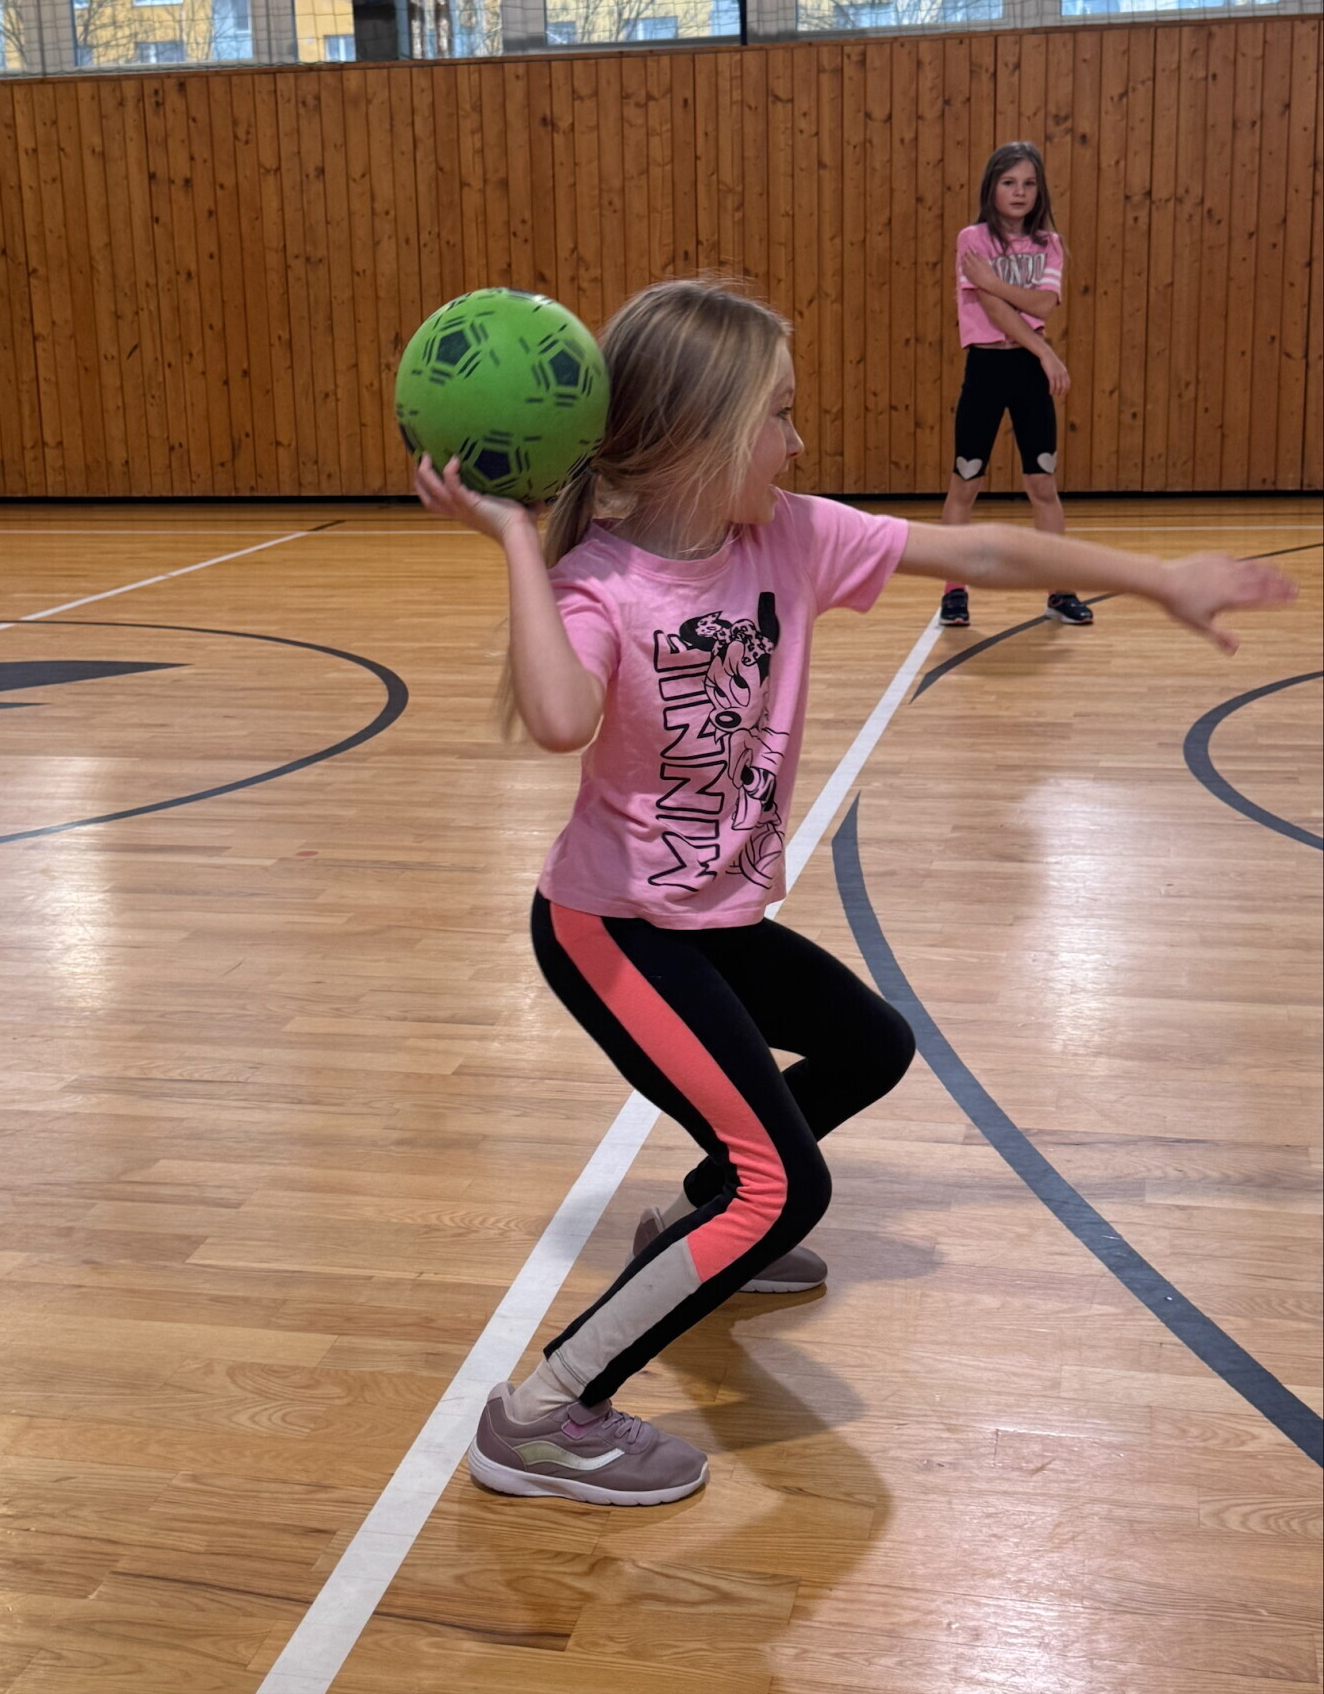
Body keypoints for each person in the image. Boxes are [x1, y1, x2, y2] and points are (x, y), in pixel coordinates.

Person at [414, 278, 1292, 1508]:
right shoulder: (601, 586)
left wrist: (1154, 577)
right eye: (777, 415)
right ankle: (546, 1413)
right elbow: (560, 719)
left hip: (713, 921)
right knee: (784, 1185)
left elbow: (979, 549)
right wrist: (516, 540)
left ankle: (696, 1227)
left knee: (869, 1046)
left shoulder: (788, 536)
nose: (797, 440)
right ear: (701, 438)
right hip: (612, 932)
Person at [940, 141, 1087, 629]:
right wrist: (1046, 350)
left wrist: (992, 282)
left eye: (1028, 183)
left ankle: (1059, 589)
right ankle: (954, 590)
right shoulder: (973, 239)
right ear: (992, 188)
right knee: (966, 480)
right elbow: (995, 310)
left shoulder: (1049, 244)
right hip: (986, 368)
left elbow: (1044, 306)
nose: (1019, 192)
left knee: (1042, 481)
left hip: (1028, 373)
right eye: (1009, 182)